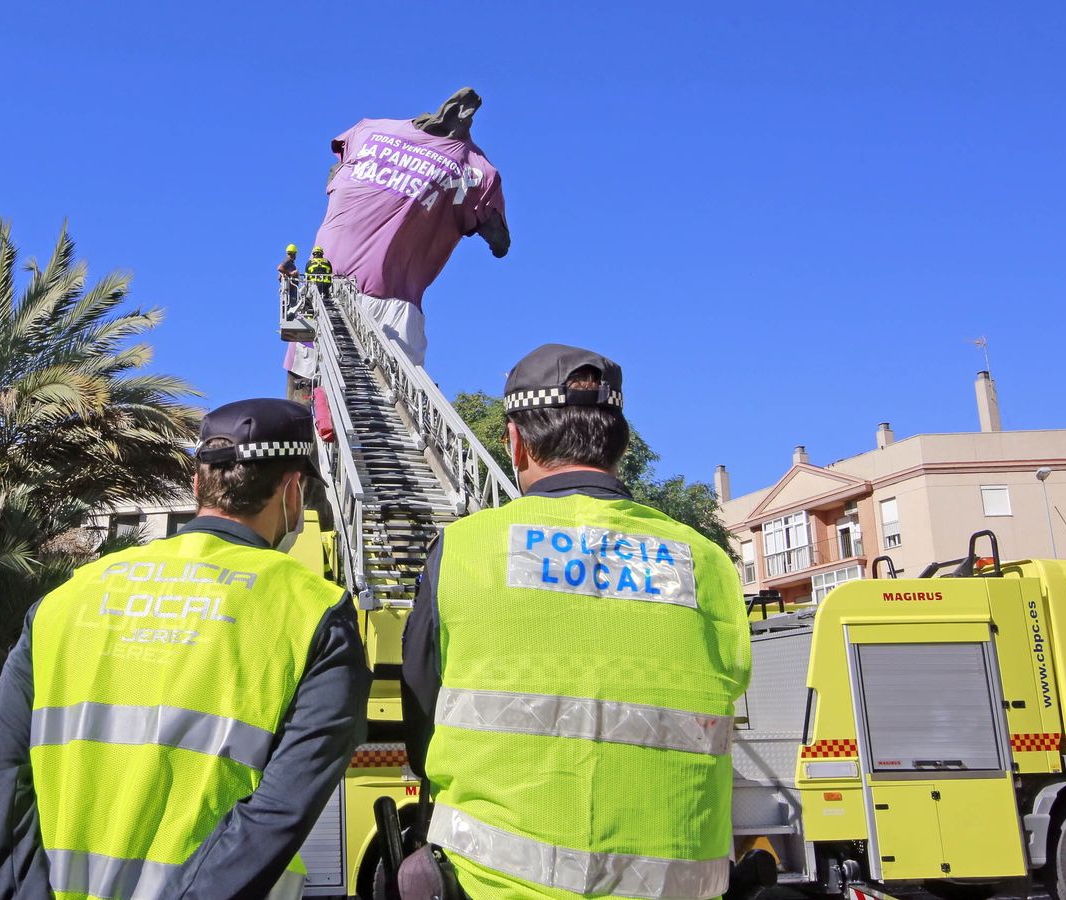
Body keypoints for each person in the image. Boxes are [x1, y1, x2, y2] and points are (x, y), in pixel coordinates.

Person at [0, 398, 371, 900]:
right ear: (293, 490)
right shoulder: (315, 611)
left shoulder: (66, 599)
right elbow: (278, 810)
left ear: (198, 484)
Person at [400, 344, 751, 899]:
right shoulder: (706, 562)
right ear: (621, 443)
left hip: (497, 885)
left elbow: (422, 721)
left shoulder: (464, 549)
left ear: (515, 441)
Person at [313, 88, 510, 366]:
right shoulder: (476, 170)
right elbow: (500, 244)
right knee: (327, 378)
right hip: (347, 294)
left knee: (322, 376)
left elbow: (499, 242)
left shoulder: (476, 171)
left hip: (369, 298)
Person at [278, 243, 301, 316]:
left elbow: (279, 277)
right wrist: (291, 273)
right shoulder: (287, 261)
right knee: (292, 304)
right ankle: (290, 316)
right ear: (293, 253)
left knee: (291, 303)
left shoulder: (289, 262)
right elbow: (280, 268)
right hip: (291, 288)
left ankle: (289, 315)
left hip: (291, 288)